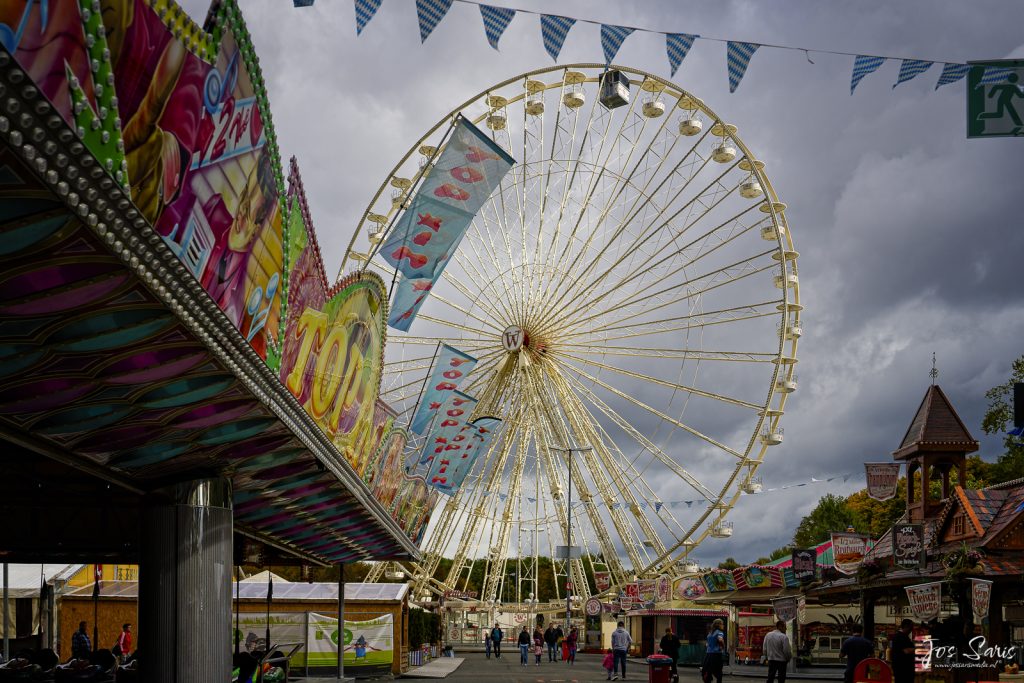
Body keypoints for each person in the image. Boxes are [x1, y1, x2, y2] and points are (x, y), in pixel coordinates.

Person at [702, 618, 726, 683]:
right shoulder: (720, 632)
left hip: (708, 655)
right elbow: (720, 640)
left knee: (709, 670)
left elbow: (707, 644)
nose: (723, 625)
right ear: (719, 625)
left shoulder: (710, 633)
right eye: (722, 624)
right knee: (719, 673)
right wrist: (723, 646)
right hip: (716, 655)